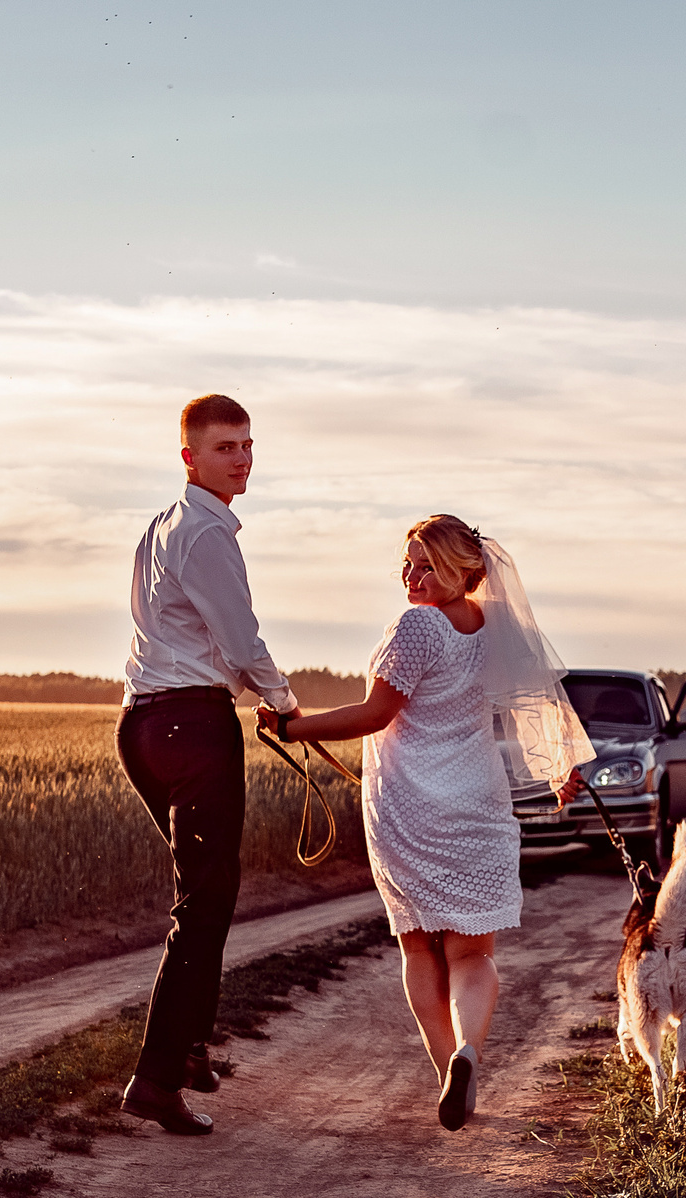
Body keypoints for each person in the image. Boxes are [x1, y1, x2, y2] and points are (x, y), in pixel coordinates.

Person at [261, 515, 591, 1129]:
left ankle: (449, 1072)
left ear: (461, 573)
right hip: (480, 806)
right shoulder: (494, 627)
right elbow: (534, 704)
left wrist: (290, 726)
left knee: (418, 944)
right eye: (407, 563)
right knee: (473, 953)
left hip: (411, 807)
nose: (412, 576)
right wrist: (558, 769)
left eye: (427, 566)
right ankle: (468, 1052)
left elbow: (374, 713)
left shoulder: (418, 625)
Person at [115, 394, 298, 1135]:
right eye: (226, 447)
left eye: (249, 445)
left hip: (145, 724)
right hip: (192, 724)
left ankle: (187, 1047)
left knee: (206, 894)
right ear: (189, 456)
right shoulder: (207, 534)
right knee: (205, 904)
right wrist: (283, 701)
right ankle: (156, 1080)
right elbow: (242, 639)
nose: (243, 458)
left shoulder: (163, 527)